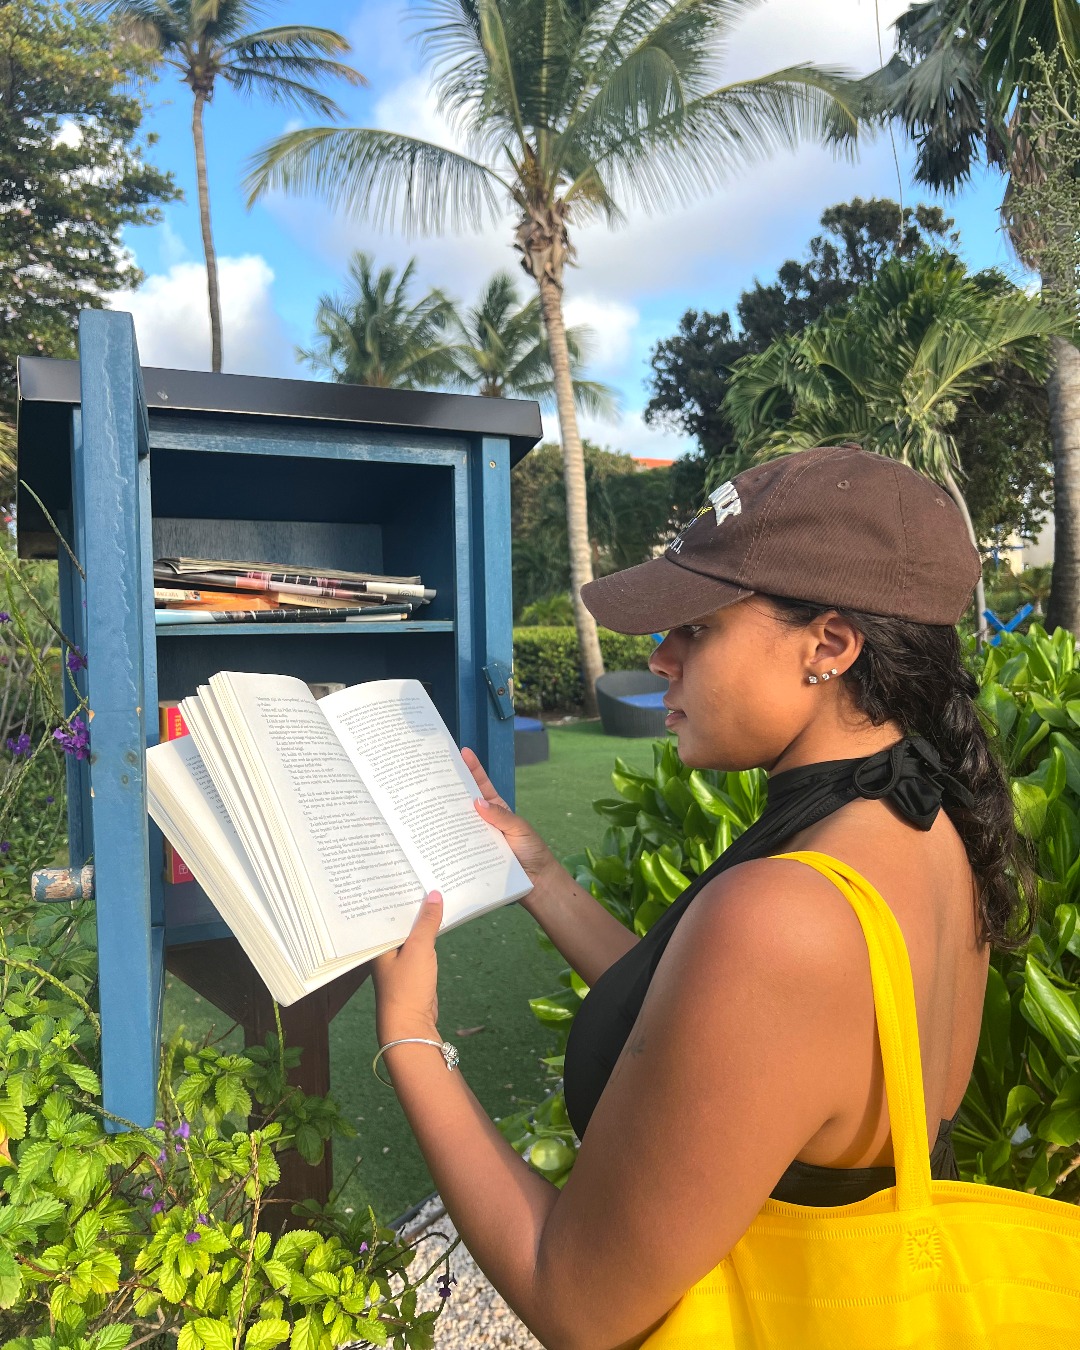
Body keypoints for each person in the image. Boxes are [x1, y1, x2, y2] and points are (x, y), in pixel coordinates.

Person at [370, 444, 1036, 1350]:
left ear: (830, 645)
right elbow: (720, 1035)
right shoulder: (918, 825)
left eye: (699, 627)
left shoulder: (787, 916)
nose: (662, 656)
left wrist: (410, 1036)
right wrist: (543, 876)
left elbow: (573, 1300)